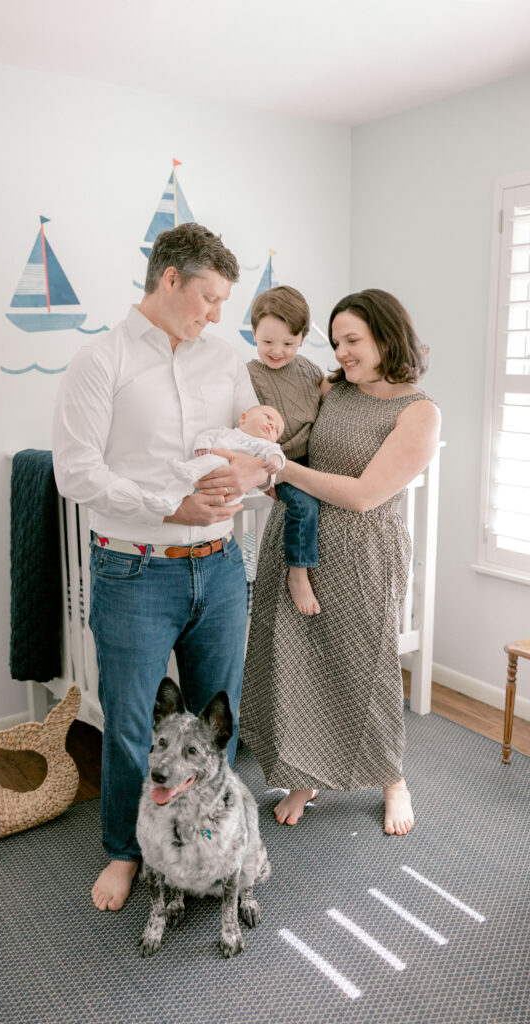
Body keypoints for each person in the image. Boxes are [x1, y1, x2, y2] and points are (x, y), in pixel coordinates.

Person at [52, 223, 272, 912]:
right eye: (208, 298)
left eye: (223, 303)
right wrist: (170, 506)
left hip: (221, 566)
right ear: (169, 279)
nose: (216, 315)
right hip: (135, 570)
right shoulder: (102, 361)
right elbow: (75, 472)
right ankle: (125, 850)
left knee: (215, 720)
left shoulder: (225, 361)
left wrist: (255, 463)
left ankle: (210, 839)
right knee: (130, 725)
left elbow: (257, 450)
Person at [236, 288, 441, 834]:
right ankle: (305, 778)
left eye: (353, 340)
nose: (342, 352)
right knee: (296, 664)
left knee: (364, 667)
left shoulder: (418, 412)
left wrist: (280, 468)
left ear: (387, 337)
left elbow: (364, 495)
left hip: (362, 551)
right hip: (297, 541)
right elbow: (297, 437)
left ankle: (392, 778)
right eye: (336, 343)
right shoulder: (332, 389)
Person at [246, 286, 329, 615]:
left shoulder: (309, 370)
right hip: (278, 461)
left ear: (302, 340)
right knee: (304, 505)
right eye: (268, 342)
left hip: (313, 458)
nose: (277, 351)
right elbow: (244, 427)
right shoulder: (249, 376)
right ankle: (298, 572)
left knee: (337, 494)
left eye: (288, 344)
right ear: (254, 334)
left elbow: (325, 403)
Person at [133, 404, 286, 517]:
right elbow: (206, 436)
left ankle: (190, 470)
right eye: (268, 417)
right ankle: (166, 500)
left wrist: (276, 460)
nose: (272, 425)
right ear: (243, 418)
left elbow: (278, 454)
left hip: (227, 490)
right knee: (182, 483)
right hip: (204, 478)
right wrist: (202, 446)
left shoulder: (265, 445)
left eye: (277, 430)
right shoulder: (226, 432)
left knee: (217, 460)